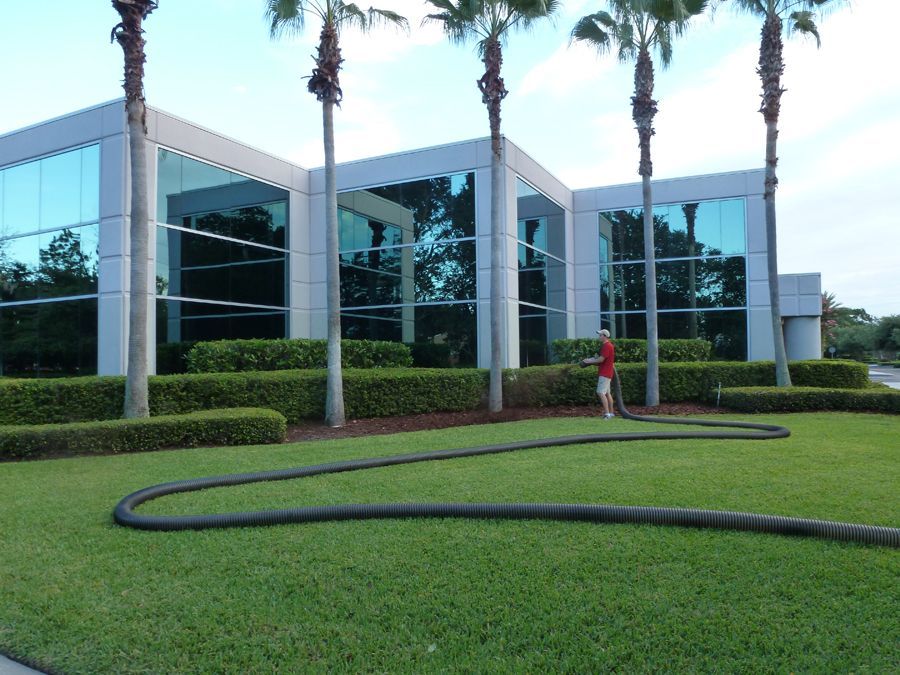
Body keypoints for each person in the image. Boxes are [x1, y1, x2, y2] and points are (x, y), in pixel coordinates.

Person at [580, 329, 616, 419]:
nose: (599, 337)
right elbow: (601, 361)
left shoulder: (607, 346)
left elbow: (601, 360)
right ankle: (611, 413)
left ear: (604, 336)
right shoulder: (608, 346)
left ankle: (607, 414)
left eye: (600, 335)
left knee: (600, 392)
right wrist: (590, 361)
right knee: (607, 393)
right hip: (607, 372)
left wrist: (589, 361)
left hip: (605, 373)